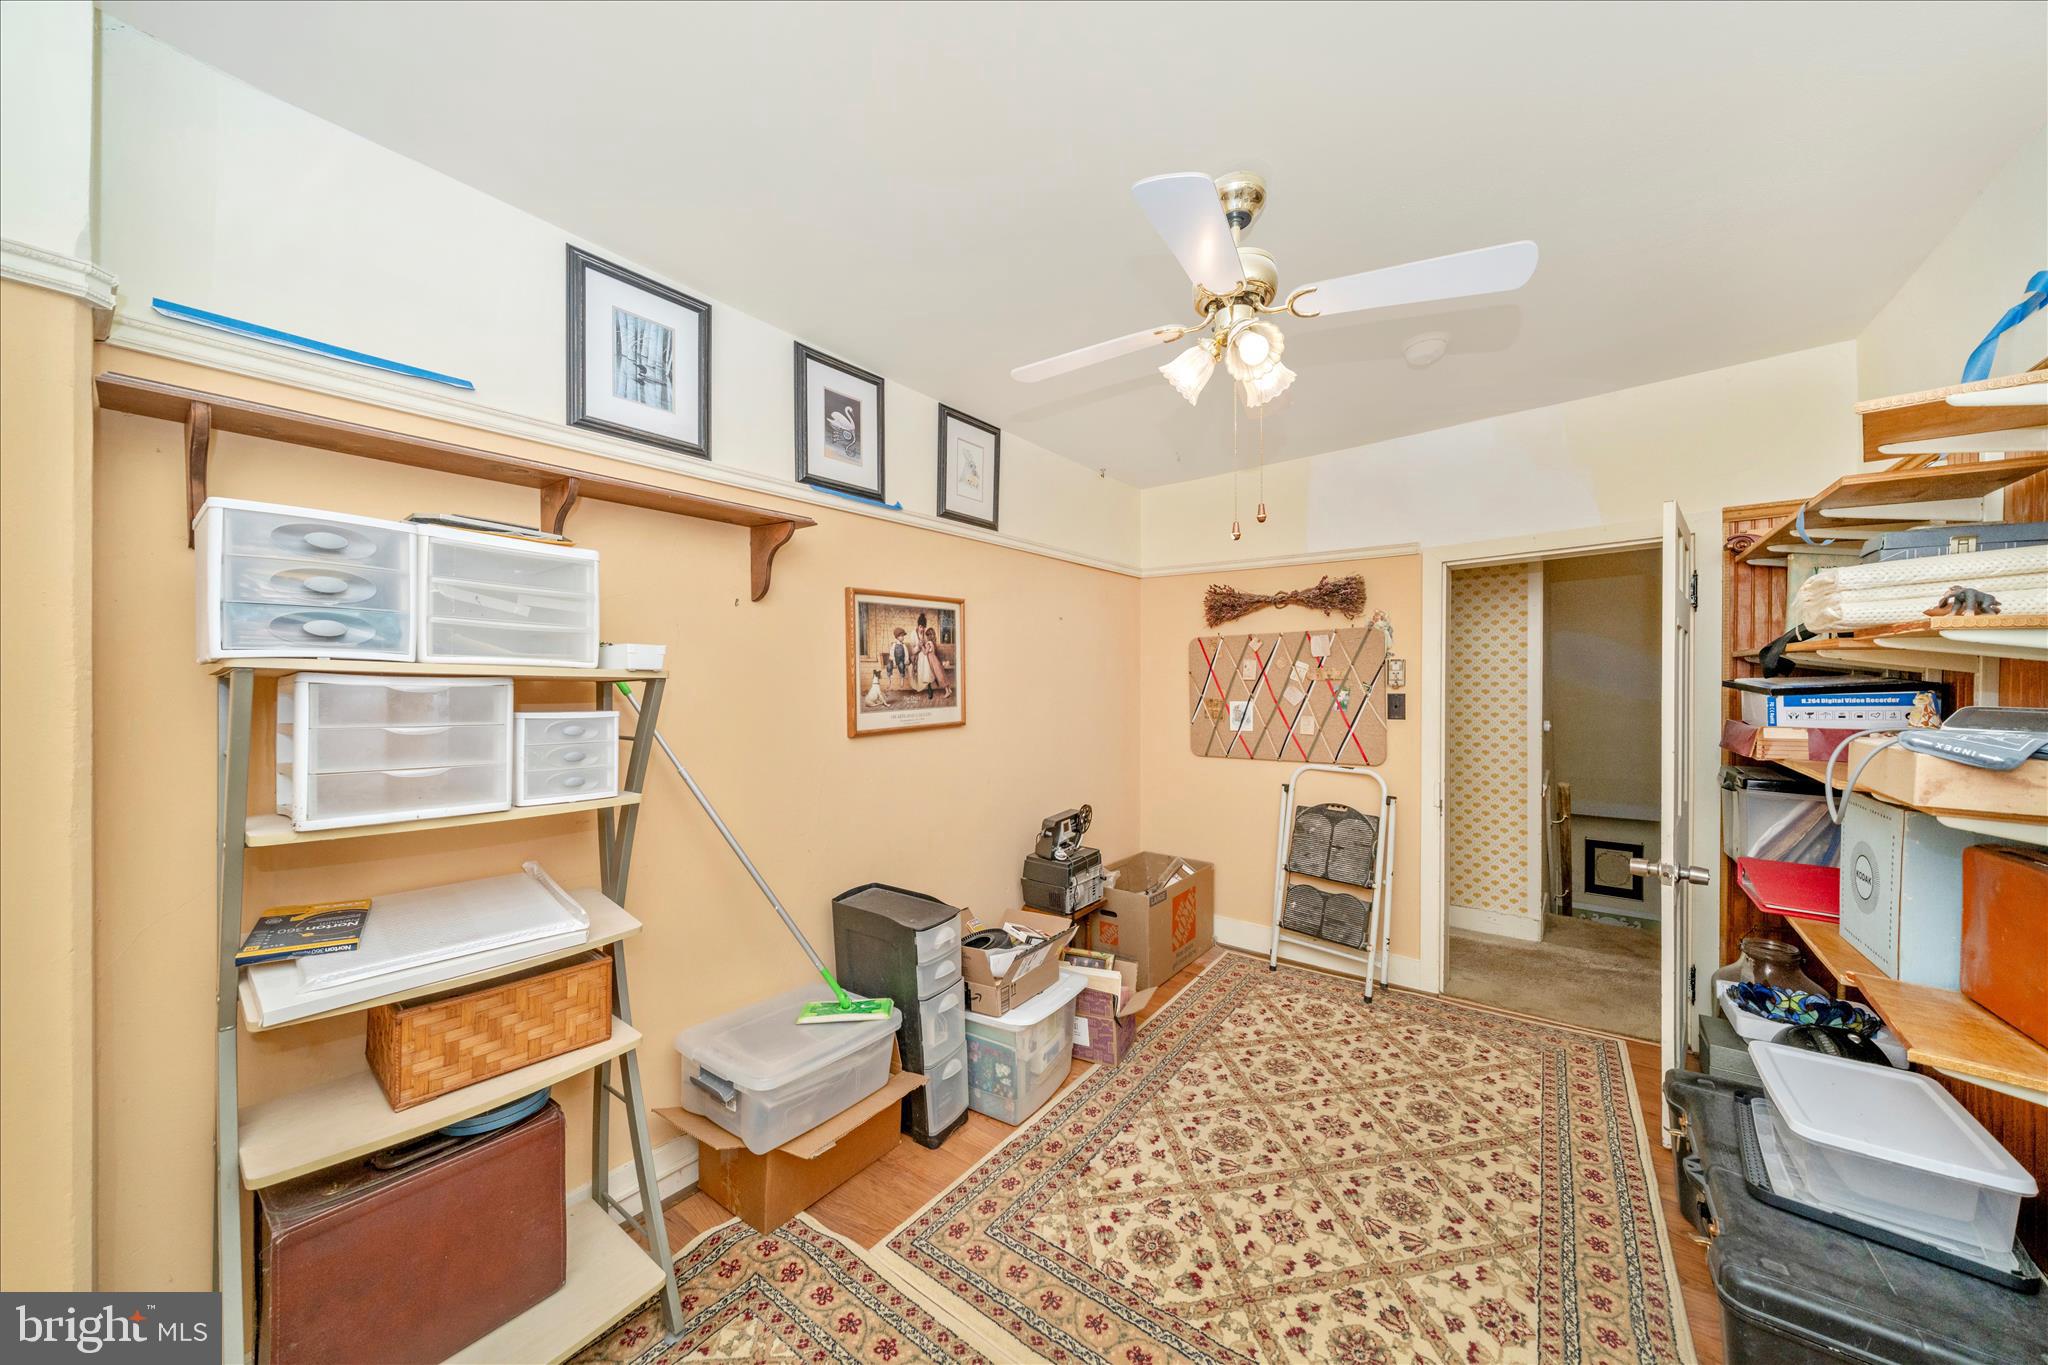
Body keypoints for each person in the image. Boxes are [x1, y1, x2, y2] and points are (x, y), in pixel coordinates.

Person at [914, 611, 953, 701]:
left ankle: (947, 691)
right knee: (941, 675)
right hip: (935, 660)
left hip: (933, 661)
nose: (926, 637)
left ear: (929, 636)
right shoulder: (932, 643)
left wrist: (922, 645)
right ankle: (949, 689)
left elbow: (925, 652)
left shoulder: (928, 643)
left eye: (927, 635)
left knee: (940, 676)